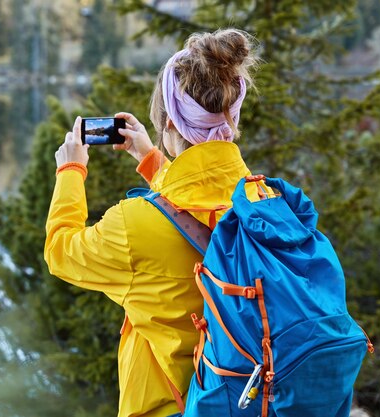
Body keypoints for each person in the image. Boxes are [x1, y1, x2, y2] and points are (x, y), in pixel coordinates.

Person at [44, 28, 264, 417]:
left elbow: (61, 252)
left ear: (169, 123)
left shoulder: (133, 226)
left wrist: (71, 169)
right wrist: (150, 160)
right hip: (252, 401)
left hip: (172, 407)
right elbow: (200, 205)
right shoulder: (262, 201)